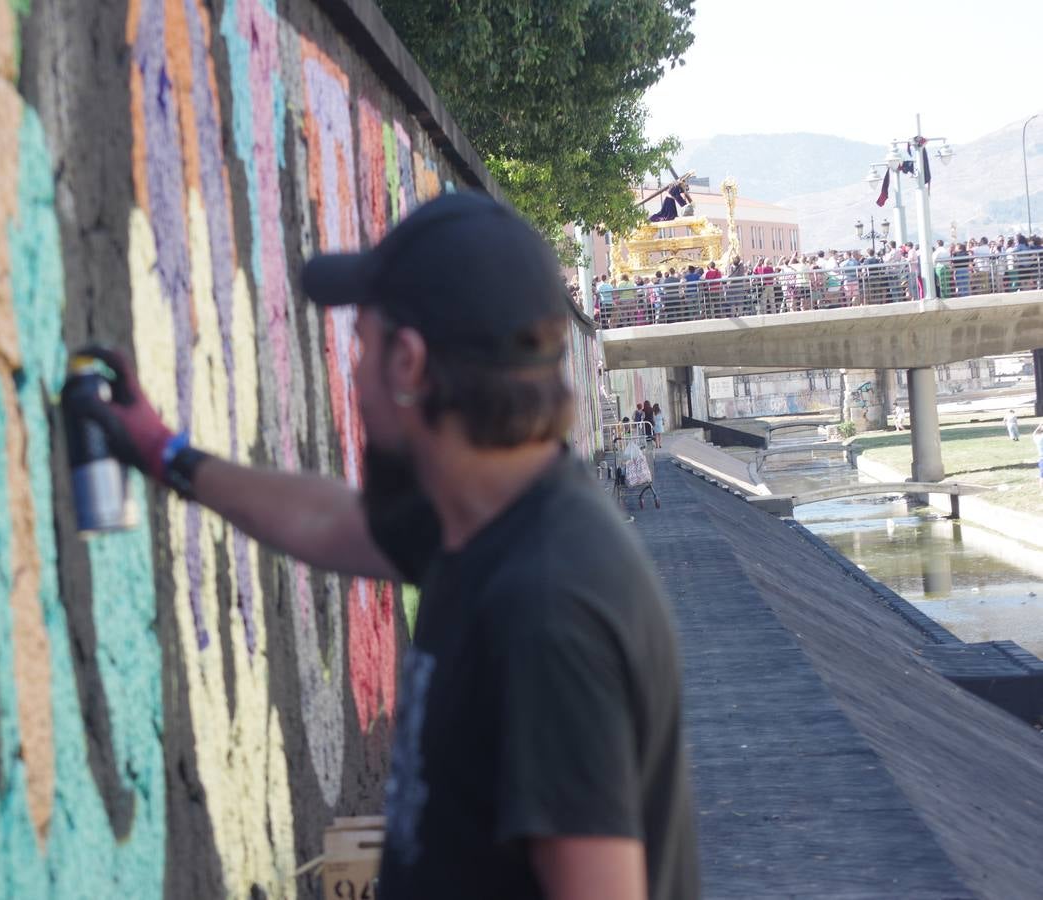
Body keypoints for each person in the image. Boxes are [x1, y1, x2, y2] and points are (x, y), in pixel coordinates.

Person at [70, 191, 699, 899]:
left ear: (408, 363)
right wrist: (166, 455)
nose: (356, 378)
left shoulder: (546, 608)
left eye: (362, 347)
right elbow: (331, 520)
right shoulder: (490, 524)